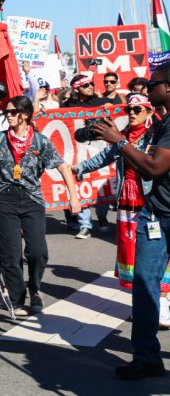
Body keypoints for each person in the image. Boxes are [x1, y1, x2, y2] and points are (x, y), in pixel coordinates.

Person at [92, 65, 170, 378]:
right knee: (143, 281)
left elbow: (153, 167)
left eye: (154, 83)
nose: (148, 87)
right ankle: (147, 357)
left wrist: (118, 140)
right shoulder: (160, 124)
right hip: (157, 214)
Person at [74, 95, 170, 328]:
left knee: (157, 254)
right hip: (127, 203)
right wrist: (80, 168)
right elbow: (105, 157)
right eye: (129, 109)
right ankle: (143, 304)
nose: (132, 113)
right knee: (132, 253)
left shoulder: (156, 134)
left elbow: (156, 166)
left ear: (148, 112)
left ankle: (163, 302)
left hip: (152, 201)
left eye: (137, 109)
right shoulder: (122, 137)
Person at [0, 95, 81, 315]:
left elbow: (63, 167)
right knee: (10, 254)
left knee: (38, 251)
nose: (8, 116)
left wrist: (73, 197)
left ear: (25, 115)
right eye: (6, 112)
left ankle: (35, 289)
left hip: (32, 199)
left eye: (12, 112)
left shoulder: (40, 141)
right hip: (4, 198)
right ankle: (17, 297)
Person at [62, 74, 108, 238]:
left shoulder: (101, 103)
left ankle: (102, 217)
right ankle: (85, 225)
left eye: (91, 84)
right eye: (85, 85)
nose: (90, 86)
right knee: (81, 187)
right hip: (78, 153)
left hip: (101, 152)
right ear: (76, 89)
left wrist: (112, 108)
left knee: (101, 187)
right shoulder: (67, 106)